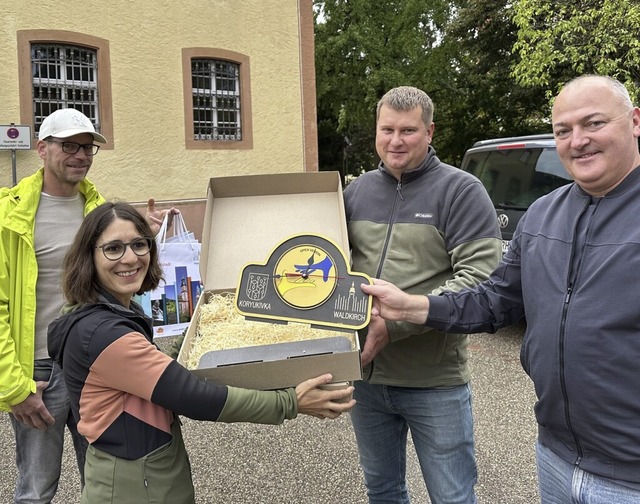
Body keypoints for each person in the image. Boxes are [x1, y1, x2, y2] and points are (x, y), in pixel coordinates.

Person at [360, 75, 640, 504]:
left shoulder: (459, 190)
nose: (577, 140)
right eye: (563, 130)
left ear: (634, 121)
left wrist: (399, 323)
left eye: (594, 123)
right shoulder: (544, 214)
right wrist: (411, 307)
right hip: (557, 455)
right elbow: (493, 301)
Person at [47, 201, 356, 503]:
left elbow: (159, 374)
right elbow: (191, 395)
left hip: (144, 473)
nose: (130, 258)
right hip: (134, 485)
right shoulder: (103, 334)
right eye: (113, 248)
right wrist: (290, 402)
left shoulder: (106, 314)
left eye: (139, 245)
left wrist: (207, 336)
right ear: (88, 256)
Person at [0, 107, 177, 504]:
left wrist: (142, 236)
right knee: (35, 489)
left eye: (87, 147)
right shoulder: (8, 215)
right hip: (37, 373)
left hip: (96, 363)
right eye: (69, 146)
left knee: (102, 479)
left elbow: (117, 273)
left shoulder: (97, 211)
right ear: (42, 149)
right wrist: (14, 387)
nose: (80, 155)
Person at [343, 86, 502, 504]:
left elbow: (481, 278)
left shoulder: (461, 191)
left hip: (434, 381)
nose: (396, 141)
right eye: (387, 129)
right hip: (367, 378)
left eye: (408, 130)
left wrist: (393, 326)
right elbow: (329, 268)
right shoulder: (355, 192)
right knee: (383, 490)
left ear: (430, 131)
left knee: (451, 495)